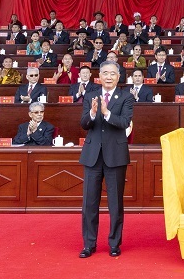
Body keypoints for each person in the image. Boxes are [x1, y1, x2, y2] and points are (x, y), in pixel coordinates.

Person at [79, 61, 134, 258]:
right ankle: (89, 244)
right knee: (89, 203)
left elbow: (125, 122)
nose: (108, 77)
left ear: (118, 77)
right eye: (105, 73)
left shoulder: (126, 97)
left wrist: (107, 113)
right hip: (92, 155)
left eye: (112, 73)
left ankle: (114, 243)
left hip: (115, 155)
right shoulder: (90, 95)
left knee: (115, 204)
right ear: (99, 76)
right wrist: (93, 113)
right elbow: (83, 123)